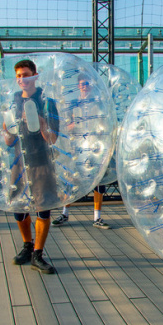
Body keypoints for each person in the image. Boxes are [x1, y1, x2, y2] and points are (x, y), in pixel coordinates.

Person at [3, 59, 59, 274]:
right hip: (19, 163)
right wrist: (7, 130)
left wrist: (42, 123)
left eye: (26, 74)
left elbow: (53, 139)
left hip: (41, 163)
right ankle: (27, 245)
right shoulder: (12, 103)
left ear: (35, 75)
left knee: (43, 209)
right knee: (18, 208)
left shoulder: (47, 102)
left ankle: (38, 253)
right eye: (18, 76)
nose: (21, 79)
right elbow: (9, 141)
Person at [52, 75, 111, 230]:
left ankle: (97, 217)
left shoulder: (98, 103)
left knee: (98, 181)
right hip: (77, 148)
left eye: (87, 83)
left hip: (95, 147)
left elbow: (103, 123)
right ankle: (65, 213)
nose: (85, 86)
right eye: (82, 84)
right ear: (78, 86)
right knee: (71, 180)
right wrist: (74, 125)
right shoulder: (73, 104)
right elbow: (66, 125)